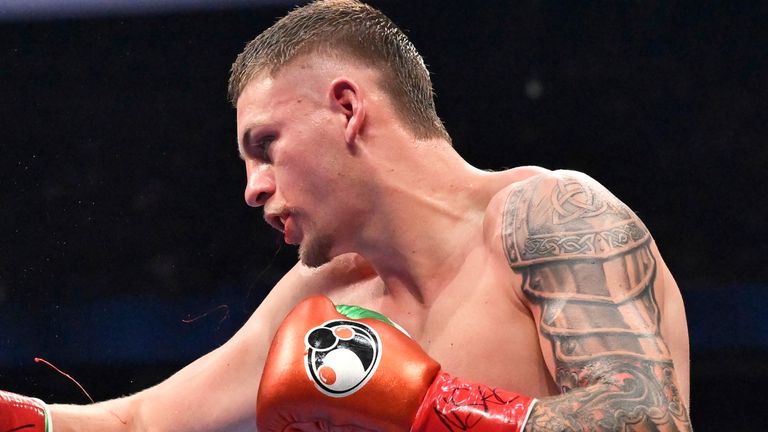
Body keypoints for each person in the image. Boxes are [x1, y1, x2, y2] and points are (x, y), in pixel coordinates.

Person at [1, 0, 692, 430]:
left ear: (346, 107)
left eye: (264, 146)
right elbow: (140, 422)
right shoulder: (323, 297)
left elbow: (648, 423)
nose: (252, 188)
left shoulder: (546, 217)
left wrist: (428, 407)